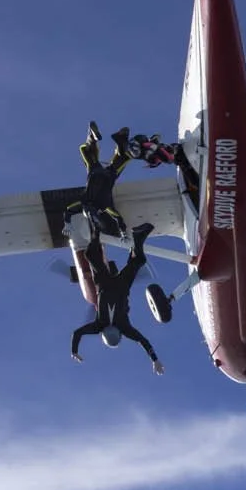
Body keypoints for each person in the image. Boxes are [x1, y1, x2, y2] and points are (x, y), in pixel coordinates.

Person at [69, 223, 164, 373]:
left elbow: (143, 341)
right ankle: (107, 230)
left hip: (117, 286)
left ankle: (132, 235)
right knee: (92, 255)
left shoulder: (121, 328)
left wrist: (155, 360)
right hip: (108, 284)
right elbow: (77, 333)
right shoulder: (103, 326)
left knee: (137, 260)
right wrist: (74, 351)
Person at [67, 123, 138, 239]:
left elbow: (117, 218)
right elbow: (69, 210)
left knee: (121, 158)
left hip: (108, 175)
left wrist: (123, 232)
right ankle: (97, 139)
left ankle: (119, 141)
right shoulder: (86, 202)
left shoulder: (105, 206)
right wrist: (67, 223)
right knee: (89, 153)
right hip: (97, 172)